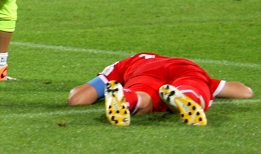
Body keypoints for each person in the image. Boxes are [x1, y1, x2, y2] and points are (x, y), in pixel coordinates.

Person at [67, 52, 253, 126]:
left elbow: (77, 99)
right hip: (186, 68)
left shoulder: (126, 63)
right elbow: (245, 92)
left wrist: (105, 85)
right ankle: (188, 96)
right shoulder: (184, 67)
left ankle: (128, 97)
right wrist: (209, 86)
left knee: (143, 95)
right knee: (194, 88)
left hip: (142, 71)